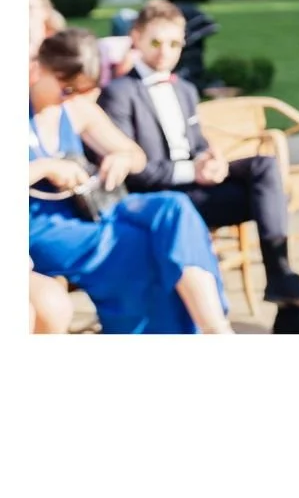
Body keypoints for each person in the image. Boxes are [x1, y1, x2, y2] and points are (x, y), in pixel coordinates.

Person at [96, 0, 299, 327]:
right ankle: (291, 313)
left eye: (174, 43)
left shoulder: (187, 90)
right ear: (135, 37)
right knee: (268, 201)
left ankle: (282, 279)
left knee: (263, 167)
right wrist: (191, 171)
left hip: (198, 188)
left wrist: (213, 159)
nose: (165, 51)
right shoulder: (119, 94)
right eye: (155, 42)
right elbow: (134, 172)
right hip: (163, 201)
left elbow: (197, 144)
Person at [29, 28, 232, 334]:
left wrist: (121, 158)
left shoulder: (74, 109)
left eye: (81, 90)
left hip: (93, 208)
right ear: (37, 70)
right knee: (140, 245)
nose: (68, 98)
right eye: (66, 89)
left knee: (174, 207)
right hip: (41, 226)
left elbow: (135, 155)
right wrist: (45, 167)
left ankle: (215, 327)